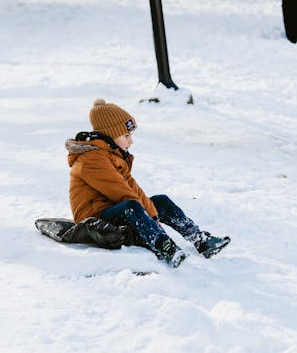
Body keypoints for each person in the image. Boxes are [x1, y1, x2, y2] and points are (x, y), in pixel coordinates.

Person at [65, 98, 231, 268]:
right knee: (131, 205)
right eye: (126, 135)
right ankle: (165, 247)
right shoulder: (91, 159)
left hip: (113, 208)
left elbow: (133, 189)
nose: (131, 141)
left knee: (160, 201)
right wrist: (150, 218)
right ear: (111, 134)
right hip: (94, 219)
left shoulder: (112, 155)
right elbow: (120, 191)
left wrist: (152, 213)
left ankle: (200, 239)